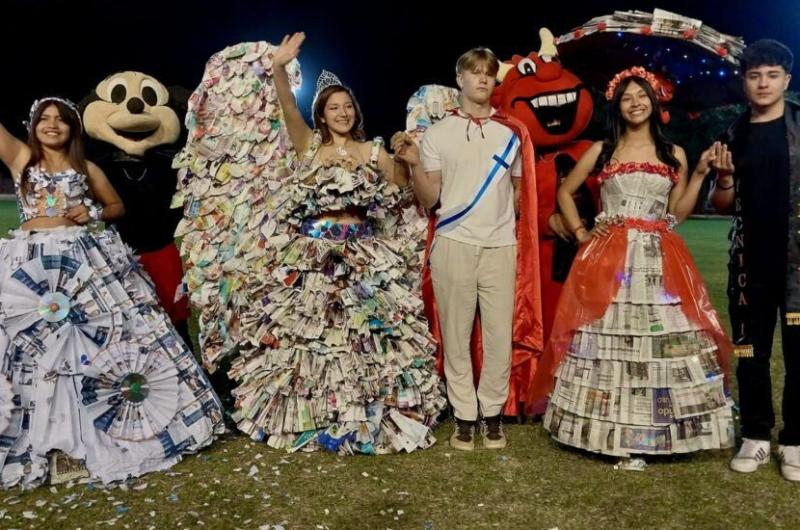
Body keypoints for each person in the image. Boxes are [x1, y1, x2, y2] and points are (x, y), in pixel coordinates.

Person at [232, 33, 446, 454]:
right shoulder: (308, 146)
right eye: (334, 107)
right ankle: (315, 418)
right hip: (313, 257)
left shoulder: (372, 152)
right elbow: (287, 105)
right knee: (313, 341)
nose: (343, 112)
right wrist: (279, 66)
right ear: (323, 115)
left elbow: (404, 190)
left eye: (348, 106)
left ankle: (371, 417)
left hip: (363, 256)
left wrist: (409, 157)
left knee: (367, 340)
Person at [0, 97, 224, 488]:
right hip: (32, 266)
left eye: (61, 121)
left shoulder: (86, 167)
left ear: (74, 128)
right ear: (32, 126)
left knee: (92, 347)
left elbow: (116, 206)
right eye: (44, 120)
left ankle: (92, 439)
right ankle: (47, 442)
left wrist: (95, 214)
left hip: (84, 262)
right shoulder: (21, 158)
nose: (52, 126)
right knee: (35, 353)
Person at [529, 67, 734, 460]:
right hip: (610, 257)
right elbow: (566, 192)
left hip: (660, 255)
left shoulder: (673, 154)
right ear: (618, 107)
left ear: (655, 102)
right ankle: (601, 429)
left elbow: (676, 213)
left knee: (662, 336)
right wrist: (581, 233)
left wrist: (701, 176)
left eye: (642, 95)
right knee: (606, 338)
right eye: (627, 97)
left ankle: (664, 432)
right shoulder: (602, 150)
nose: (636, 103)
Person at [393, 47, 541, 451]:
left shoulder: (510, 133)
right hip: (453, 243)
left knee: (498, 336)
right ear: (459, 79)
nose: (482, 80)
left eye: (488, 74)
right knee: (456, 337)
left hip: (500, 246)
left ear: (495, 81)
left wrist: (506, 227)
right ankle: (464, 416)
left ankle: (491, 415)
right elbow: (429, 199)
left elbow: (517, 196)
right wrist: (413, 165)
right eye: (474, 73)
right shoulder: (438, 133)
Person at [709, 39, 800, 481]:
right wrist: (725, 177)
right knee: (750, 352)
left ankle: (796, 440)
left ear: (786, 80)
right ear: (744, 82)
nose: (763, 83)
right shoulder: (734, 133)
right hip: (749, 267)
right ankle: (756, 435)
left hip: (798, 268)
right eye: (754, 75)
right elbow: (723, 204)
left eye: (772, 75)